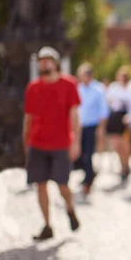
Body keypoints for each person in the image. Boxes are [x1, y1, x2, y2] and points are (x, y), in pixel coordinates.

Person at [23, 46, 81, 240]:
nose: (44, 64)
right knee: (40, 185)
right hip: (38, 144)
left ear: (55, 63)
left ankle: (70, 208)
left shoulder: (69, 84)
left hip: (61, 144)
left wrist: (76, 142)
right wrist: (26, 143)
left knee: (62, 185)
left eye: (47, 60)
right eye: (41, 60)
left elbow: (74, 116)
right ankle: (47, 225)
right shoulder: (33, 87)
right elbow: (28, 118)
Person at [76, 62, 109, 196]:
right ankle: (89, 174)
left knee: (88, 153)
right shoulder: (78, 88)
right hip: (80, 126)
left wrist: (101, 128)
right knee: (80, 154)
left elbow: (103, 110)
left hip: (92, 126)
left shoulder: (98, 89)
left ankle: (88, 181)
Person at [106, 66, 131, 182]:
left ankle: (126, 165)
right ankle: (122, 166)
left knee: (126, 144)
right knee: (116, 144)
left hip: (126, 118)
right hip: (115, 118)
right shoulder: (113, 87)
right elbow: (109, 101)